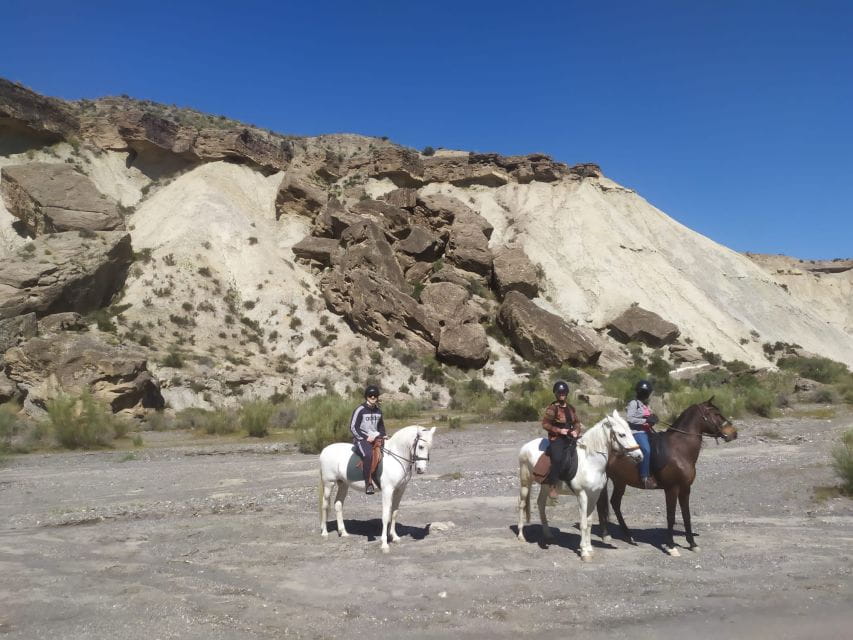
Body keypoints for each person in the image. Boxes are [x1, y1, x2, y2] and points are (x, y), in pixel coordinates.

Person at [541, 380, 582, 499]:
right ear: (556, 394)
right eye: (559, 393)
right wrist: (559, 430)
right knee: (557, 458)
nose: (561, 394)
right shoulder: (552, 408)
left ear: (567, 393)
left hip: (570, 436)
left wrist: (576, 431)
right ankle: (553, 485)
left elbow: (577, 423)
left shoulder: (571, 408)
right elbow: (545, 424)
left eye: (563, 392)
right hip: (557, 438)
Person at [350, 384, 386, 494]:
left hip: (376, 438)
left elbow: (381, 426)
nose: (373, 397)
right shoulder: (360, 410)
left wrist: (383, 435)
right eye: (370, 395)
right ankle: (368, 484)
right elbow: (353, 427)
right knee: (368, 455)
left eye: (375, 395)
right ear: (366, 396)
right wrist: (365, 438)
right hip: (361, 439)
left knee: (388, 453)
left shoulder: (378, 411)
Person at [626, 379, 659, 489]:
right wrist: (645, 421)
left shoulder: (646, 405)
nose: (645, 394)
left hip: (648, 431)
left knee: (660, 446)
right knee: (646, 450)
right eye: (643, 392)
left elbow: (649, 418)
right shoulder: (633, 403)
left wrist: (654, 419)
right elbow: (630, 419)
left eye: (646, 392)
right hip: (637, 432)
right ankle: (644, 477)